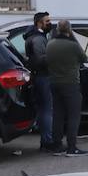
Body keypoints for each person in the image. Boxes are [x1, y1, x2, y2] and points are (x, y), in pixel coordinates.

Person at [45, 20, 88, 157]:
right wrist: (73, 37)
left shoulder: (50, 44)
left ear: (57, 29)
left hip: (54, 83)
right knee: (73, 116)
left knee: (58, 115)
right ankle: (72, 147)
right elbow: (84, 58)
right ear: (69, 30)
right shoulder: (73, 46)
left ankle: (57, 146)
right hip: (70, 83)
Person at [24, 11, 57, 152]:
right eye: (47, 21)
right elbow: (41, 59)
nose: (50, 23)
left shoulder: (36, 37)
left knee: (44, 109)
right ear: (39, 23)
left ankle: (46, 140)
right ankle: (47, 142)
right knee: (47, 110)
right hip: (43, 77)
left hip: (39, 76)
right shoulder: (38, 39)